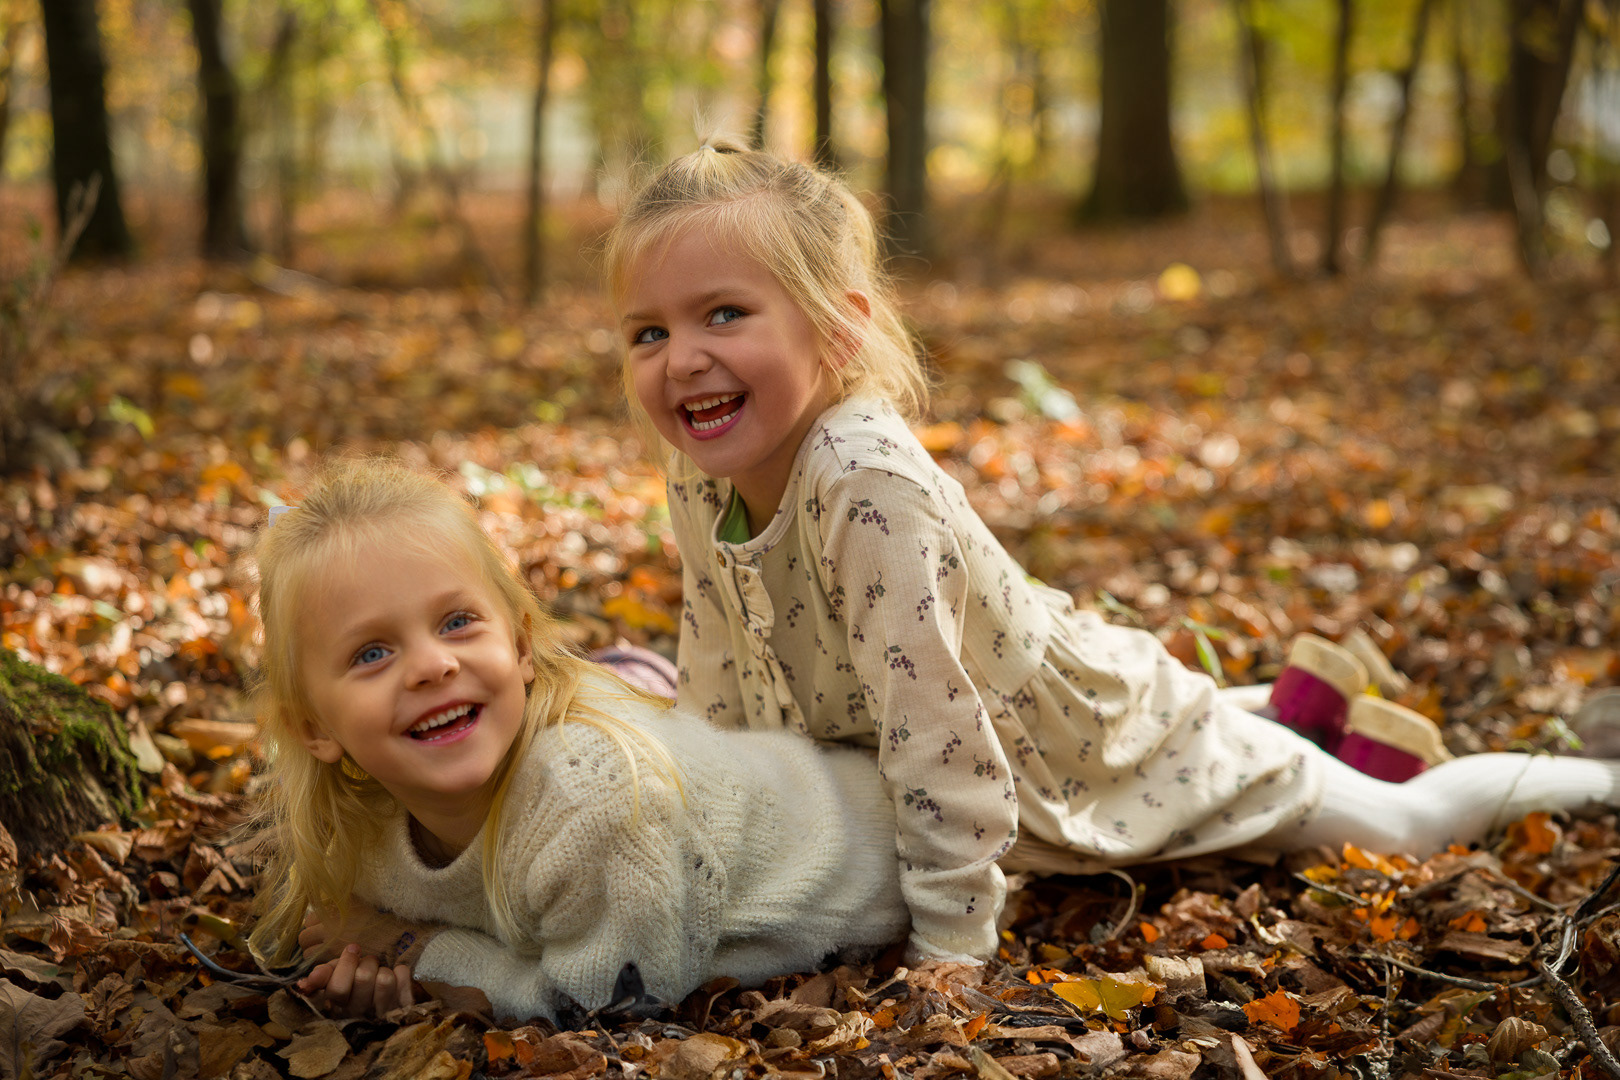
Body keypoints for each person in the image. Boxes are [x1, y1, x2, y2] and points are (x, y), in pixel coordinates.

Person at [604, 136, 1620, 966]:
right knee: (1218, 731)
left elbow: (939, 733)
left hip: (1097, 745)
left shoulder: (864, 482)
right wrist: (718, 815)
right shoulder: (704, 462)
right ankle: (1291, 708)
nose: (680, 358)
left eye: (724, 314)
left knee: (1407, 824)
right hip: (1024, 702)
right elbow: (719, 660)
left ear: (834, 330)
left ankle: (1592, 776)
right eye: (646, 333)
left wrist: (953, 948)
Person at [243, 459, 908, 1021]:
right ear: (313, 729)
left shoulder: (597, 799)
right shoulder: (358, 825)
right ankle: (632, 675)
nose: (431, 665)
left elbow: (603, 1005)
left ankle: (632, 682)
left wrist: (416, 952)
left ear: (522, 646)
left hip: (878, 834)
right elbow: (351, 934)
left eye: (457, 622)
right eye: (371, 654)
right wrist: (368, 963)